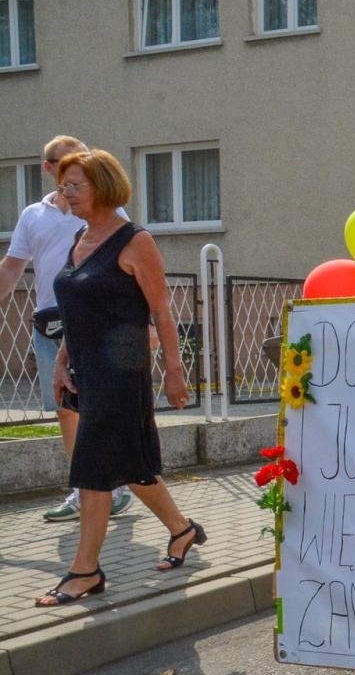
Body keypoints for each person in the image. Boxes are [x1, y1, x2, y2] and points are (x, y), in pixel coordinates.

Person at [34, 149, 206, 607]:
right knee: (131, 465)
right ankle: (183, 530)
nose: (66, 193)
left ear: (104, 188)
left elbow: (162, 311)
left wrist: (174, 371)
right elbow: (76, 312)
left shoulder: (135, 241)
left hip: (121, 370)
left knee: (91, 469)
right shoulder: (80, 239)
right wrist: (60, 362)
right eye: (63, 185)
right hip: (85, 369)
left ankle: (85, 570)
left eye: (76, 186)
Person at [0, 134, 133, 522]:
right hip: (50, 323)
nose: (77, 169)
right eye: (66, 164)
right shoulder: (33, 215)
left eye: (85, 160)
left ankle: (116, 485)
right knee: (66, 409)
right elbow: (13, 265)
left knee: (98, 407)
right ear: (49, 169)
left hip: (94, 323)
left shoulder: (107, 211)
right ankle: (84, 490)